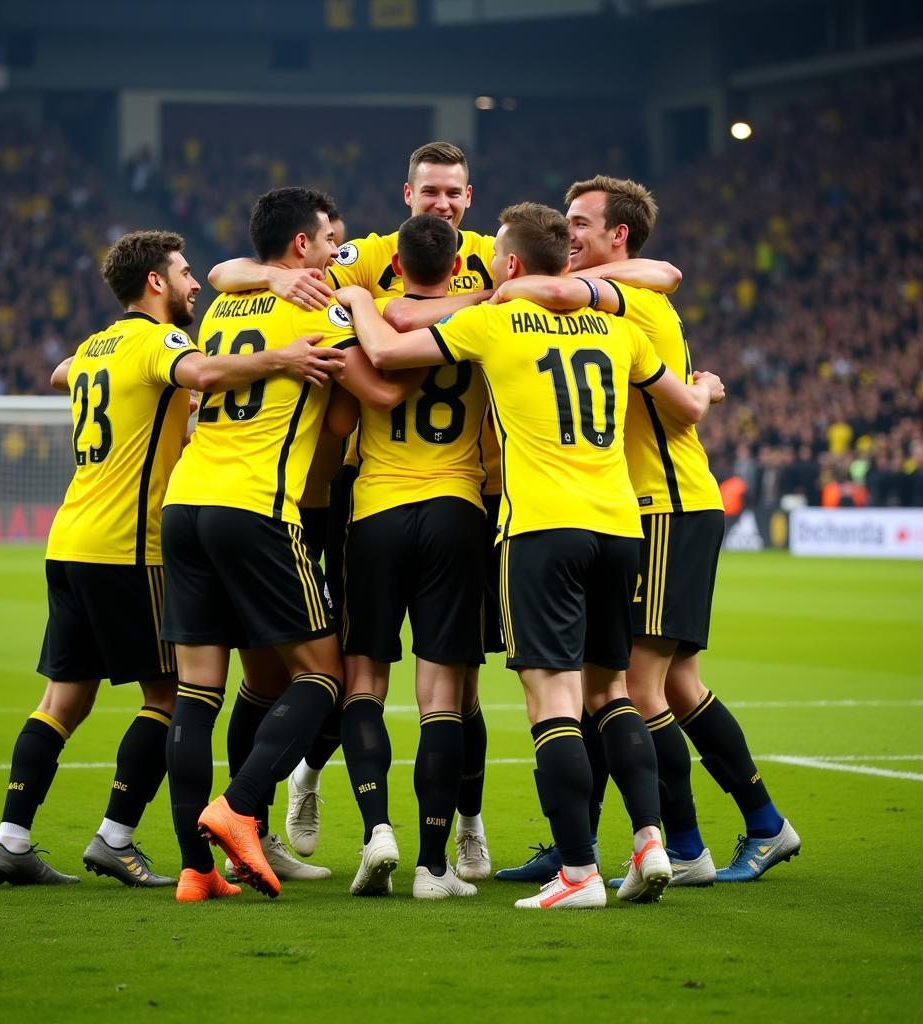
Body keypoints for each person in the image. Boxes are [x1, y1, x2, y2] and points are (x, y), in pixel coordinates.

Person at [335, 201, 725, 909]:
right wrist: (703, 385)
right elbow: (683, 403)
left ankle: (577, 872)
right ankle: (649, 842)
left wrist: (360, 297)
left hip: (541, 529)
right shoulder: (620, 326)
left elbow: (388, 353)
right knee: (612, 693)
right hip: (620, 527)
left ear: (509, 265)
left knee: (553, 701)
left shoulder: (491, 323)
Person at [0, 229, 343, 889]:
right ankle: (117, 836)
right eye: (182, 273)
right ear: (156, 282)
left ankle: (12, 838)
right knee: (174, 695)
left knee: (62, 700)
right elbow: (201, 370)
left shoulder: (97, 347)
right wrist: (280, 358)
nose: (194, 284)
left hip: (68, 541)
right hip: (131, 544)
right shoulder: (161, 342)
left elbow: (61, 373)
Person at [492, 175, 799, 886]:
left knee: (631, 686)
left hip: (663, 505)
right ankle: (747, 826)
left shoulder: (629, 294)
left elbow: (642, 282)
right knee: (665, 684)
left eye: (579, 224)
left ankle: (687, 842)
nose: (568, 238)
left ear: (616, 236)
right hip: (641, 508)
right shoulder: (619, 293)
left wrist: (506, 292)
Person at [160, 187, 420, 902]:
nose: (335, 252)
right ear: (302, 246)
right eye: (326, 240)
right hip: (256, 508)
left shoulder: (224, 305)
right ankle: (240, 807)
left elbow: (222, 277)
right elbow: (365, 406)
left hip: (186, 503)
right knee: (323, 674)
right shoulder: (321, 306)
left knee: (198, 692)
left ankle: (197, 868)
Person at [334, 213, 489, 899]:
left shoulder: (366, 319)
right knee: (442, 701)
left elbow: (340, 420)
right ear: (460, 266)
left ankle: (378, 832)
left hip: (375, 511)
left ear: (393, 262)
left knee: (363, 684)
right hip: (458, 507)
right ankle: (434, 866)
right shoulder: (482, 321)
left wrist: (366, 306)